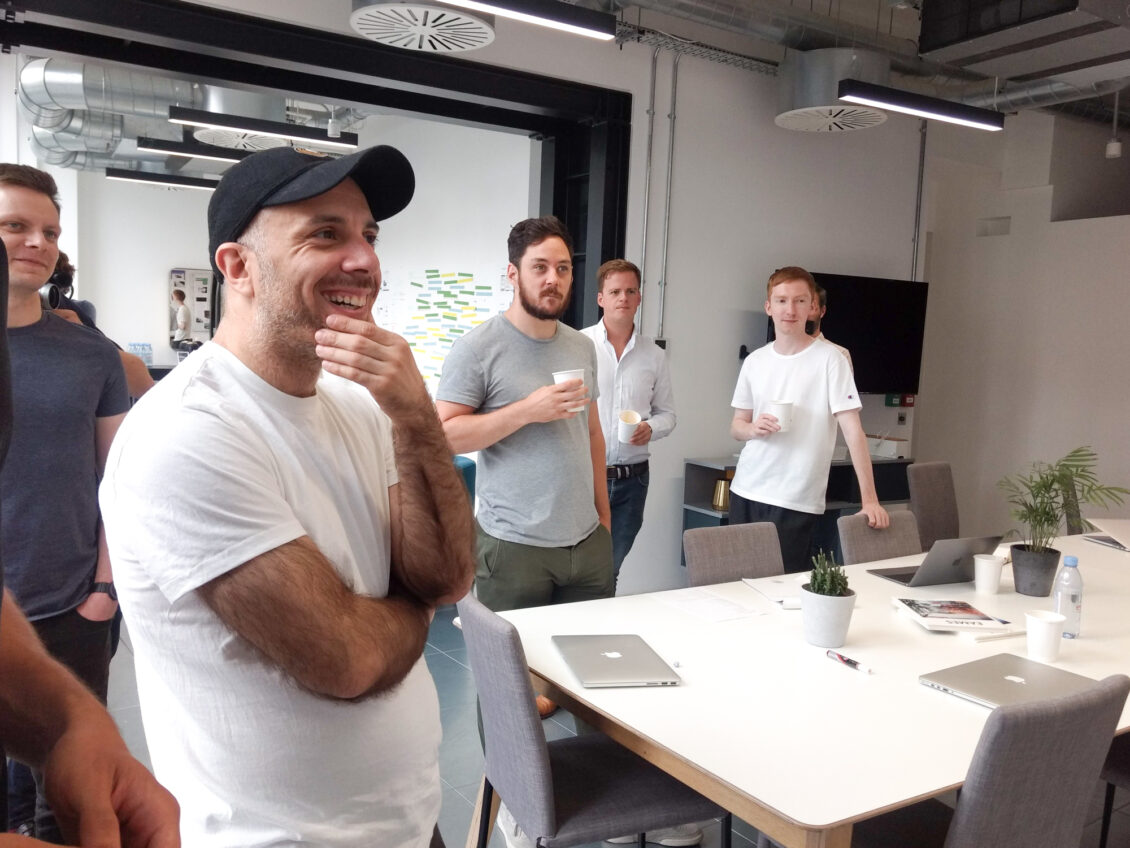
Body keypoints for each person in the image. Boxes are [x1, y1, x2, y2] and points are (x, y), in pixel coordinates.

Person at [97, 145, 474, 848]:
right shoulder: (187, 432)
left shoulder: (361, 407)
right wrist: (412, 612)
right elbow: (348, 659)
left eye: (369, 235)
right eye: (325, 234)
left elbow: (446, 577)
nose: (363, 260)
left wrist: (417, 414)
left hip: (411, 828)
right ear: (237, 267)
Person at [435, 216, 613, 715]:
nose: (552, 278)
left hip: (585, 541)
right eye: (539, 267)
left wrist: (603, 519)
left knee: (589, 685)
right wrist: (526, 411)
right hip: (512, 545)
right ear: (513, 274)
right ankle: (508, 794)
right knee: (507, 692)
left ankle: (591, 788)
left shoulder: (581, 346)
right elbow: (445, 432)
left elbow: (592, 432)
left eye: (562, 268)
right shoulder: (478, 347)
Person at [0, 164, 130, 842]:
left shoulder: (90, 355)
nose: (36, 242)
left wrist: (105, 589)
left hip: (72, 606)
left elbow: (119, 481)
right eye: (14, 226)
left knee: (72, 795)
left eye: (49, 230)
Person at [729, 266, 889, 572]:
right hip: (746, 489)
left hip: (796, 497)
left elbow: (853, 431)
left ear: (811, 307)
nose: (790, 310)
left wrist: (870, 499)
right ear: (769, 307)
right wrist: (752, 428)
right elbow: (737, 425)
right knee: (740, 587)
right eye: (782, 301)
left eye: (800, 301)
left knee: (784, 589)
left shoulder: (832, 359)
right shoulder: (755, 361)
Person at [580, 259, 676, 585]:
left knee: (610, 570)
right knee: (577, 570)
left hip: (632, 483)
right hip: (583, 477)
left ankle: (596, 633)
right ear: (600, 298)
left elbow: (668, 414)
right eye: (615, 291)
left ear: (639, 298)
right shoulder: (580, 346)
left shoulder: (654, 355)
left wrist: (653, 428)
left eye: (630, 291)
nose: (623, 297)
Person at [808, 283, 852, 370]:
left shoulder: (840, 354)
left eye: (810, 307)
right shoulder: (778, 352)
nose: (804, 313)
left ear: (822, 311)